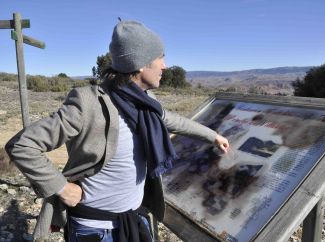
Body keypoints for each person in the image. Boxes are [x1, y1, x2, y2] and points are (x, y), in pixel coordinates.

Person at [5, 20, 229, 242]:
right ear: (140, 63)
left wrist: (213, 136)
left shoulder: (146, 102)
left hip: (134, 219)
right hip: (95, 230)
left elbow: (173, 120)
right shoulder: (88, 103)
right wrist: (61, 188)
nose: (165, 66)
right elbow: (22, 145)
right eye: (160, 57)